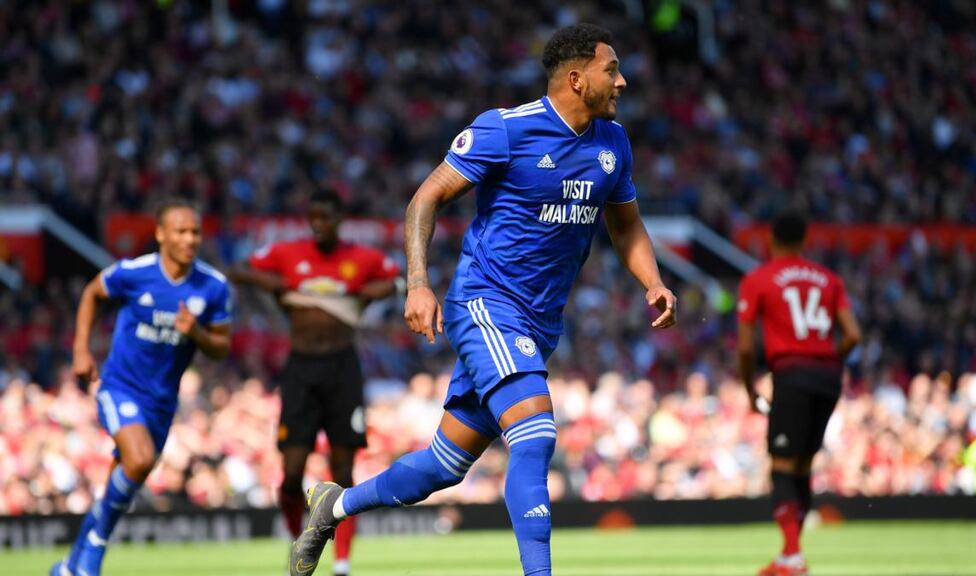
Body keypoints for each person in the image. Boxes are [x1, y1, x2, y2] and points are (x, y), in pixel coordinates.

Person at [288, 23, 677, 576]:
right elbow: (426, 198)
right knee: (536, 433)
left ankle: (334, 505)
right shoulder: (506, 130)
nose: (623, 81)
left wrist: (652, 282)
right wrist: (419, 282)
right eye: (611, 70)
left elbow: (627, 227)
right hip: (485, 304)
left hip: (539, 324)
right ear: (576, 77)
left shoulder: (613, 144)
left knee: (442, 467)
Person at [52, 198, 232, 576]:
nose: (190, 238)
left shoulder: (213, 287)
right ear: (160, 234)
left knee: (122, 486)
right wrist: (81, 349)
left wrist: (196, 332)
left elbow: (221, 347)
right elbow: (92, 293)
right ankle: (93, 559)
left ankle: (69, 568)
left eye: (195, 231)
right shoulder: (136, 273)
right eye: (181, 231)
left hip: (162, 403)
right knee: (139, 459)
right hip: (120, 386)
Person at [229, 190, 398, 576]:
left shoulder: (363, 258)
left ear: (340, 219)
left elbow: (395, 282)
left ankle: (341, 563)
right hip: (300, 369)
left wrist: (358, 294)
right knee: (291, 471)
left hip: (342, 367)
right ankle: (298, 540)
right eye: (314, 217)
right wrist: (276, 288)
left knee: (343, 470)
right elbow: (239, 269)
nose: (319, 224)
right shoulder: (286, 254)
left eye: (326, 217)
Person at [737, 211, 861, 576]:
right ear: (805, 241)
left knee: (782, 466)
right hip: (828, 376)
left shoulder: (758, 279)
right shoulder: (829, 279)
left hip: (792, 374)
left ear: (771, 241)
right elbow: (853, 335)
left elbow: (745, 349)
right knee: (803, 465)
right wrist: (827, 360)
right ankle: (791, 553)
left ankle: (792, 556)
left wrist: (749, 388)